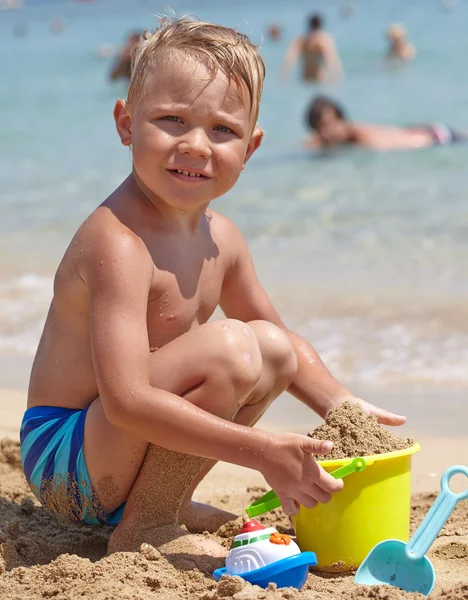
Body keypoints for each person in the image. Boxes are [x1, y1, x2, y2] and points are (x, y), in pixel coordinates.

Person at [21, 18, 406, 561]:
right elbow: (127, 401)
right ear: (126, 123)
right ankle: (147, 521)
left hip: (112, 451)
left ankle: (161, 502)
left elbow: (282, 341)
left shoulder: (221, 239)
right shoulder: (118, 243)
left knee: (267, 345)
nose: (195, 146)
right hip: (67, 459)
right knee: (232, 348)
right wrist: (263, 453)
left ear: (250, 148)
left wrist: (342, 406)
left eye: (222, 131)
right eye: (171, 120)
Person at [305, 96, 468, 151]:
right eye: (319, 129)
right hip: (428, 131)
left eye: (329, 125)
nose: (326, 133)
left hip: (438, 138)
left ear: (342, 121)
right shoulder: (341, 138)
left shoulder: (360, 136)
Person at [281, 13, 343, 83]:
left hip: (304, 79)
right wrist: (337, 77)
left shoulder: (301, 40)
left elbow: (289, 60)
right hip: (319, 80)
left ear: (309, 25)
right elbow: (332, 61)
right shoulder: (324, 40)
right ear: (321, 25)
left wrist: (283, 76)